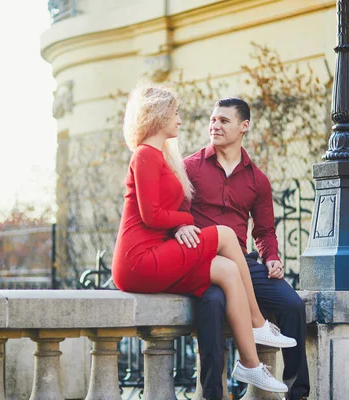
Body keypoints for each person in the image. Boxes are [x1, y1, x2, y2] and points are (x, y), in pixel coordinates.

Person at [111, 85, 297, 393]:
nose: (180, 120)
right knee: (224, 236)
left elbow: (167, 210)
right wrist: (185, 222)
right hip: (139, 260)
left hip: (159, 253)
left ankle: (250, 365)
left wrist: (180, 224)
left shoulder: (163, 157)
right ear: (157, 116)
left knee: (227, 270)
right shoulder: (145, 155)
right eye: (175, 113)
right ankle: (257, 322)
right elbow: (152, 215)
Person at [176, 98, 310, 400]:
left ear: (244, 126)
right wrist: (180, 226)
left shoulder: (257, 180)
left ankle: (297, 393)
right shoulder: (190, 168)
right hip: (204, 262)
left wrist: (272, 257)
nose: (215, 125)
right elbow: (176, 213)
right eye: (213, 120)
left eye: (224, 120)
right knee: (211, 306)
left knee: (293, 305)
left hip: (242, 262)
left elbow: (264, 231)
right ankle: (213, 394)